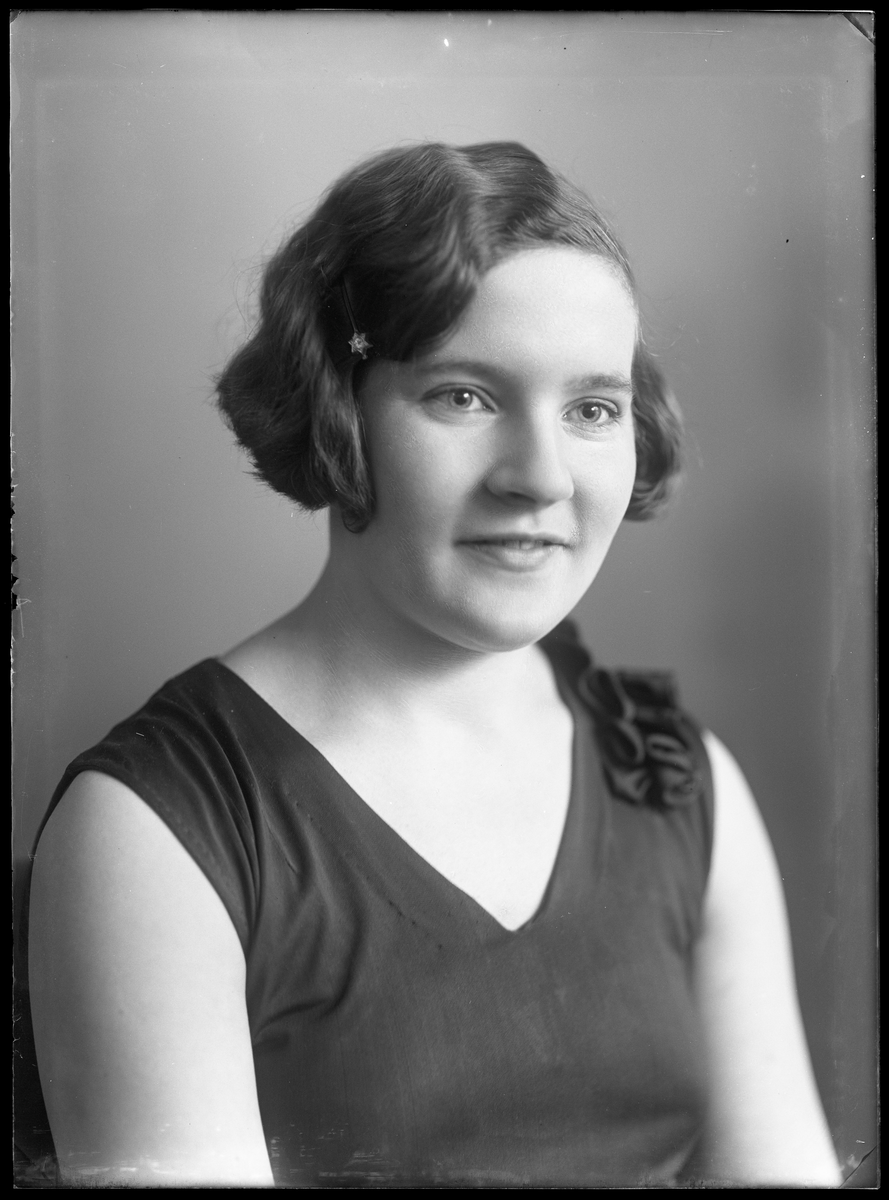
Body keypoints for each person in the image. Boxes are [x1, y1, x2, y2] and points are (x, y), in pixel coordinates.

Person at [22, 142, 841, 1188]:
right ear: (337, 411)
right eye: (463, 397)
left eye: (591, 409)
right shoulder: (162, 822)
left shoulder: (676, 780)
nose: (540, 477)